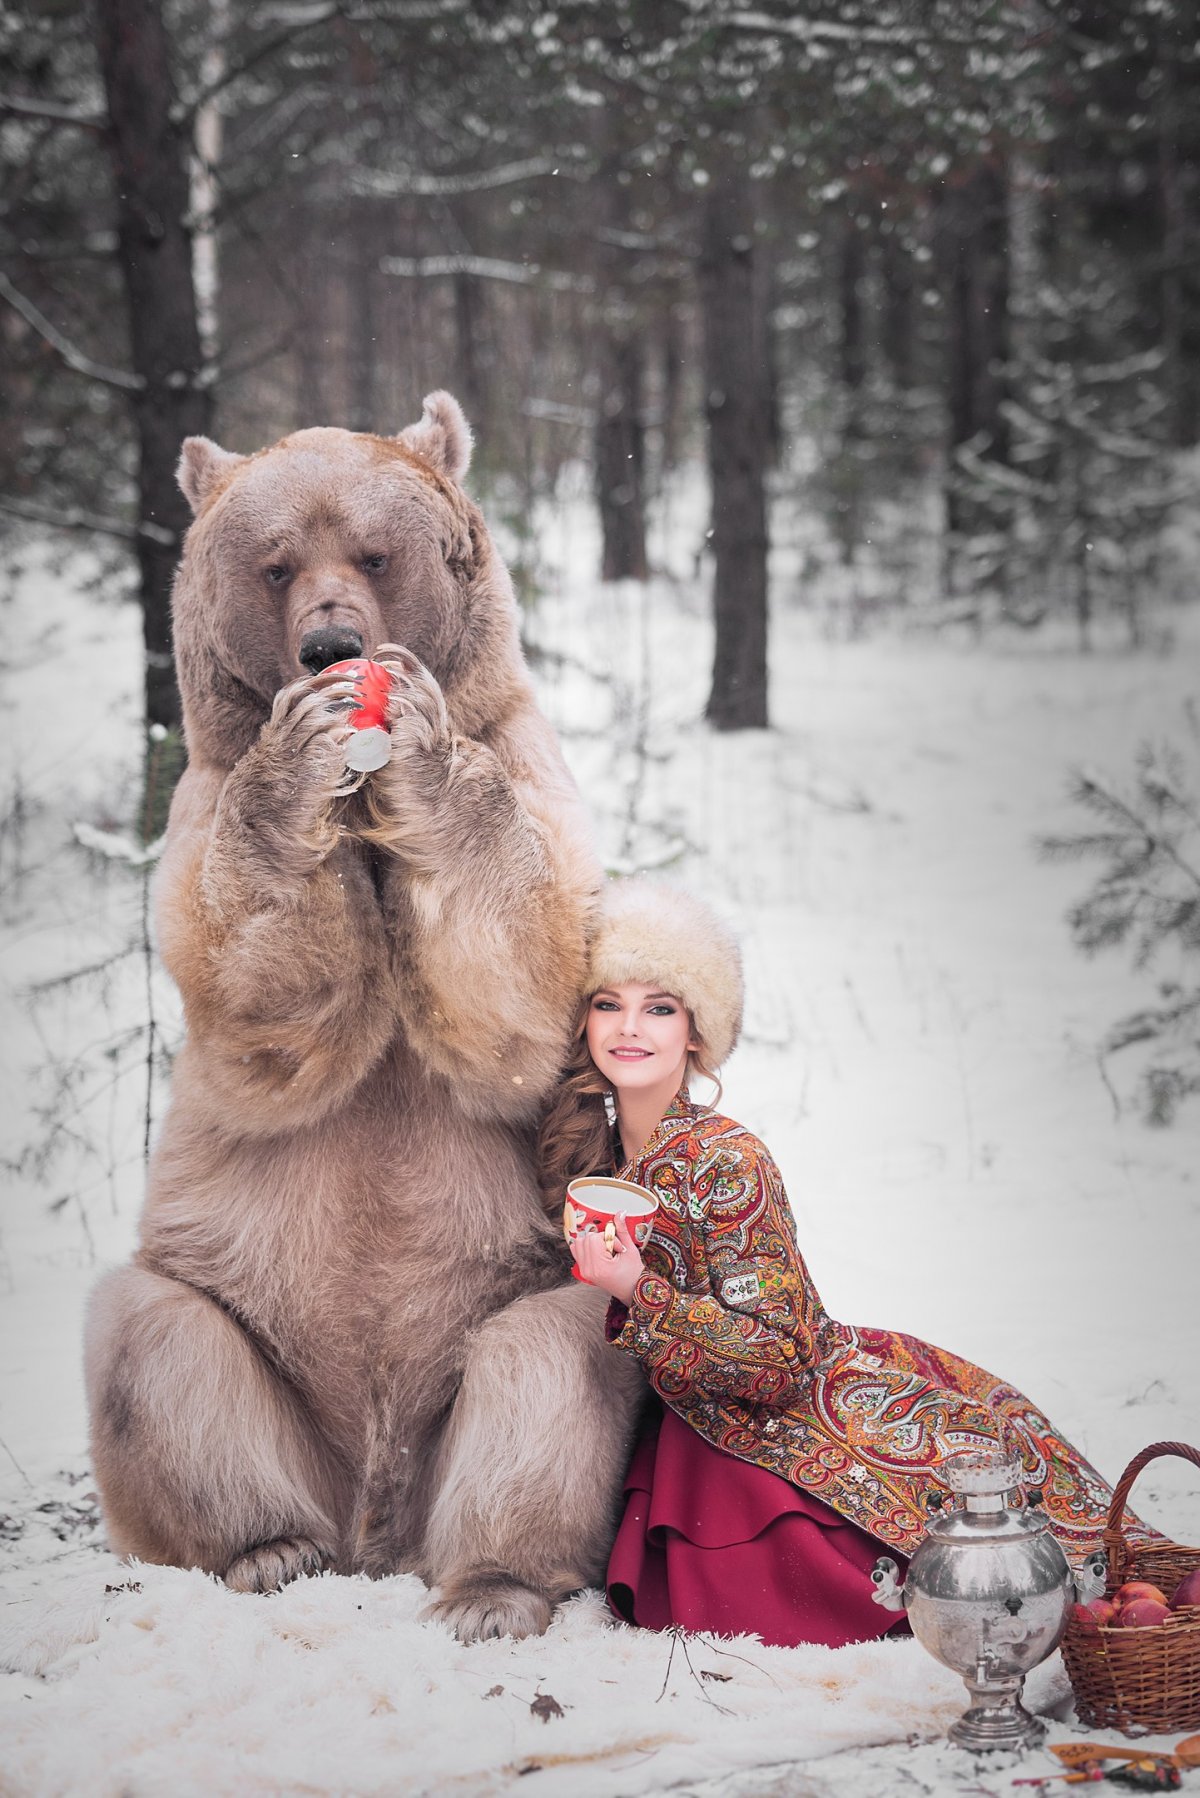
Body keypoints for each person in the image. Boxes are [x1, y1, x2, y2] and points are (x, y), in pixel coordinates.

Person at [536, 877, 1157, 1649]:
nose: (629, 1027)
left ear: (697, 1032)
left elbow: (782, 1355)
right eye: (608, 1003)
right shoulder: (589, 1154)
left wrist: (637, 1291)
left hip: (765, 1422)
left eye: (659, 1007)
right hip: (675, 1423)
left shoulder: (727, 1162)